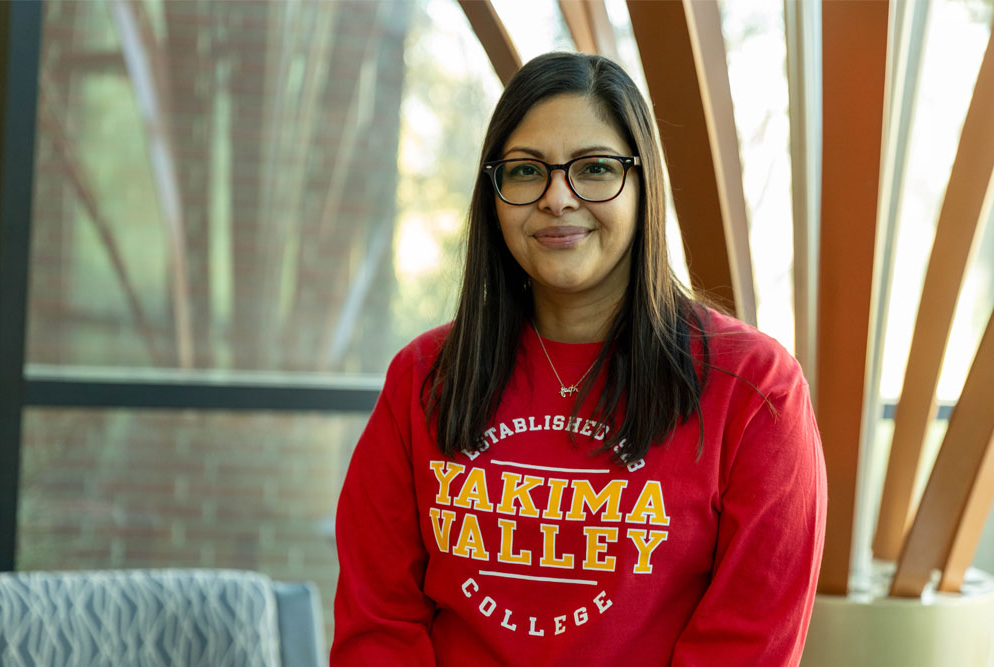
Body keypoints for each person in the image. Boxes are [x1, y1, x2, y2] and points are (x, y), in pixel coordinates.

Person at [331, 52, 826, 666]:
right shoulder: (425, 377)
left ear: (645, 186)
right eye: (524, 171)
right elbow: (378, 623)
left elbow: (745, 645)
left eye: (594, 168)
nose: (557, 198)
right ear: (494, 194)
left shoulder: (752, 390)